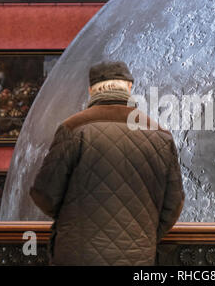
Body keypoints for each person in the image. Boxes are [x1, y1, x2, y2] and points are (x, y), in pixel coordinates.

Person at [30, 61, 185, 265]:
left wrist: (72, 220)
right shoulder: (160, 136)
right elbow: (173, 204)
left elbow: (44, 194)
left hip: (76, 256)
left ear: (91, 90)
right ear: (129, 88)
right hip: (137, 257)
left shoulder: (72, 129)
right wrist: (144, 235)